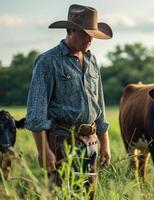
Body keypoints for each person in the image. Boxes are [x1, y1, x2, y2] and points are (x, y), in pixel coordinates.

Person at [25, 4, 112, 197]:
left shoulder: (92, 61)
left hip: (91, 142)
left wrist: (104, 143)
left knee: (89, 193)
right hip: (62, 142)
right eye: (84, 34)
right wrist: (43, 151)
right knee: (62, 194)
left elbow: (100, 104)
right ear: (69, 31)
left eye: (92, 35)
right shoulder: (48, 62)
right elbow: (36, 112)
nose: (90, 39)